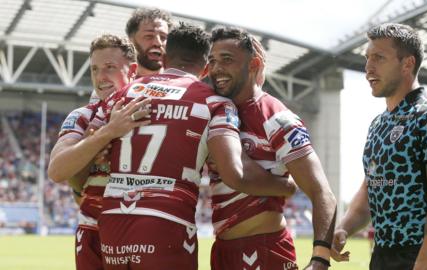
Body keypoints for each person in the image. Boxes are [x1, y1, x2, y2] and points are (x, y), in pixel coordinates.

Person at [88, 23, 295, 270]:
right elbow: (233, 173)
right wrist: (286, 186)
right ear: (206, 66)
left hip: (112, 221)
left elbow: (87, 148)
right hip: (166, 220)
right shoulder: (215, 103)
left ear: (164, 58)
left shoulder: (124, 93)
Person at [331, 23, 427, 270]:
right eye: (367, 58)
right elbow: (371, 187)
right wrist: (343, 228)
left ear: (407, 64)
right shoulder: (378, 124)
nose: (368, 67)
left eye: (379, 58)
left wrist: (422, 266)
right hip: (382, 258)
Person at [207, 27, 337, 270]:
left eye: (227, 60)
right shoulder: (215, 112)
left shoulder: (277, 117)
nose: (216, 69)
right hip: (222, 252)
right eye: (212, 61)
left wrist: (320, 259)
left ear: (254, 63)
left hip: (264, 250)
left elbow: (322, 193)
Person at [48, 34, 138, 270]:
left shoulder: (153, 112)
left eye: (110, 68)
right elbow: (57, 171)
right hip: (93, 230)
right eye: (95, 69)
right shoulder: (82, 116)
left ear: (133, 70)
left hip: (141, 228)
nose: (100, 77)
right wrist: (104, 135)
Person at [125, 8, 172, 77]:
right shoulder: (119, 83)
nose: (158, 43)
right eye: (149, 36)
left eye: (163, 37)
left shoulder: (180, 84)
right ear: (130, 41)